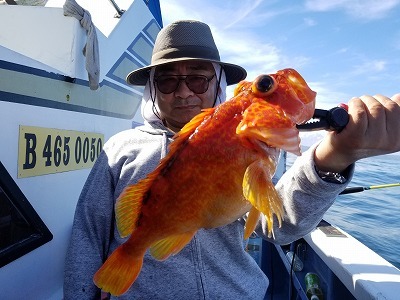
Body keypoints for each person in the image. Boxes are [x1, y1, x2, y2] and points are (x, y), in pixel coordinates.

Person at [63, 20, 400, 299]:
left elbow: (277, 226)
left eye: (197, 79)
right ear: (152, 88)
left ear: (218, 82)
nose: (183, 92)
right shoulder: (121, 148)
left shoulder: (256, 141)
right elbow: (88, 233)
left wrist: (335, 157)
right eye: (167, 81)